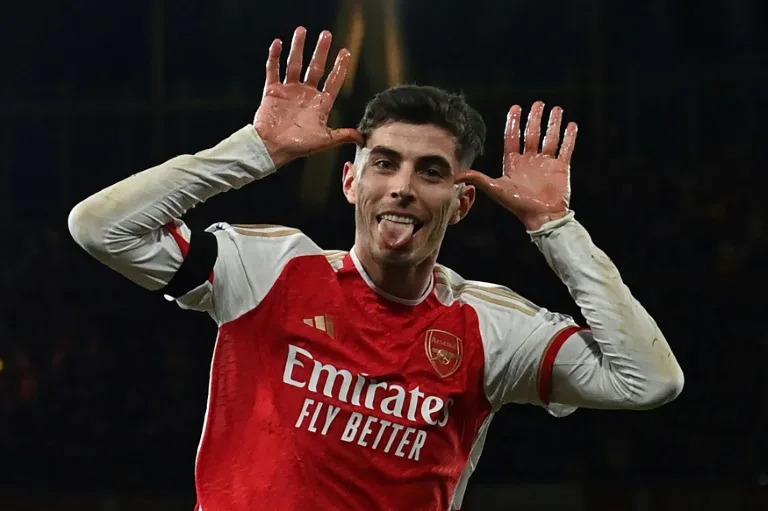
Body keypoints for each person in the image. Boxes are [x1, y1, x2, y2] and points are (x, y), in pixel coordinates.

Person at [68, 26, 683, 511]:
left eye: (431, 171)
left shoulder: (491, 330)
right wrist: (256, 149)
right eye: (384, 163)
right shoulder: (268, 269)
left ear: (462, 202)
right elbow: (99, 227)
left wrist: (554, 226)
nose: (402, 187)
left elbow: (649, 381)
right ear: (350, 180)